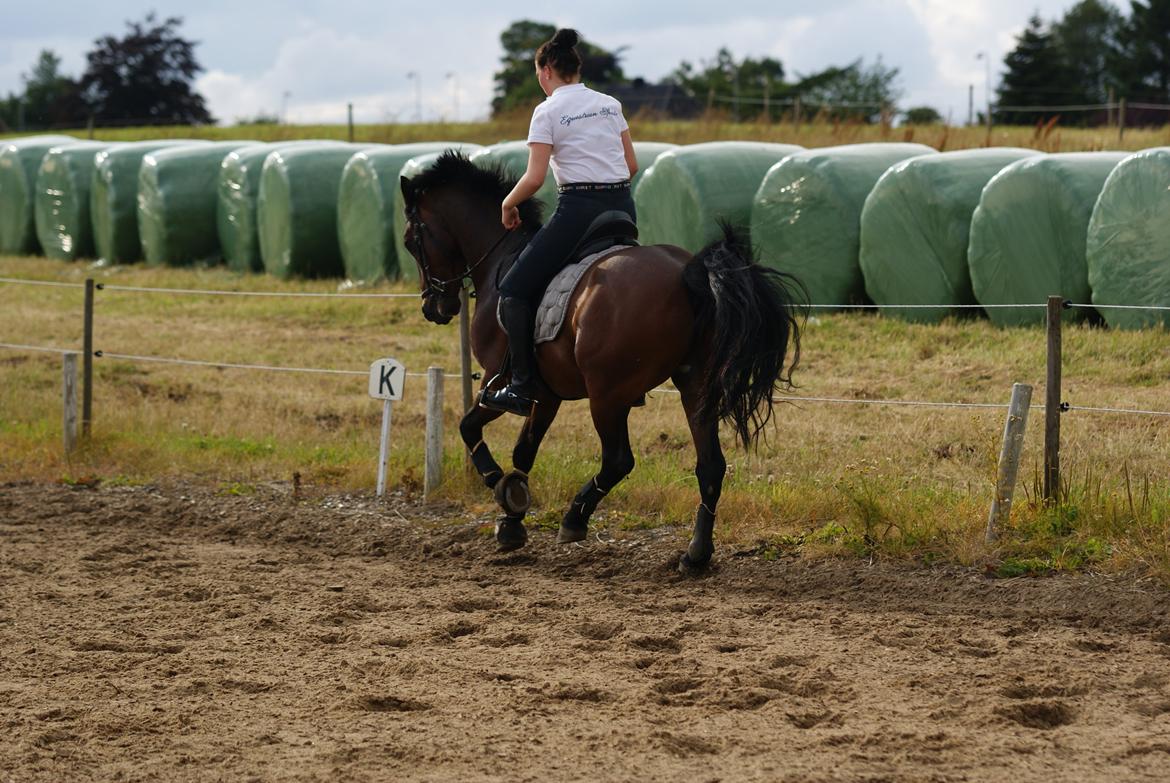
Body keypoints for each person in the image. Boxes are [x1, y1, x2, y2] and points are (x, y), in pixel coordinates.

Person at [480, 27, 639, 416]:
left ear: (547, 69)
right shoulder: (609, 104)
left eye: (538, 73)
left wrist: (507, 203)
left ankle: (520, 386)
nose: (539, 81)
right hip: (622, 209)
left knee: (514, 290)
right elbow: (631, 165)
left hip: (579, 212)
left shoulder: (547, 111)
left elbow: (534, 179)